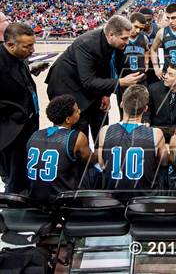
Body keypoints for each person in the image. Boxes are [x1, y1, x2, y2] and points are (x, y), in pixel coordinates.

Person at [46, 15, 142, 144]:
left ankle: (101, 157)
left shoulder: (118, 44)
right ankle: (81, 161)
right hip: (68, 86)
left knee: (102, 125)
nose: (127, 42)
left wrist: (106, 94)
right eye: (124, 38)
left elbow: (106, 68)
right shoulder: (86, 43)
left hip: (92, 84)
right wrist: (120, 82)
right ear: (111, 34)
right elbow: (88, 81)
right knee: (79, 131)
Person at [98, 85, 167, 200]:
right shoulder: (156, 133)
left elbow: (102, 164)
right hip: (144, 200)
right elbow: (164, 164)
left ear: (121, 104)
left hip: (114, 199)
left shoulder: (105, 131)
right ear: (145, 109)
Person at [26, 95, 97, 203]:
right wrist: (101, 153)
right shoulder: (77, 137)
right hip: (62, 198)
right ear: (68, 119)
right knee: (95, 170)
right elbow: (90, 160)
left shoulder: (35, 135)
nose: (80, 111)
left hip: (35, 196)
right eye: (77, 111)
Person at [0, 23, 40, 193]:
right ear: (10, 45)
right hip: (10, 128)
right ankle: (12, 208)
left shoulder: (18, 56)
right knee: (14, 174)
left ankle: (23, 195)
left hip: (27, 124)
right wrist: (12, 113)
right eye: (27, 46)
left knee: (25, 169)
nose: (32, 50)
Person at [116, 12, 149, 119]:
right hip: (125, 80)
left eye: (141, 29)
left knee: (141, 111)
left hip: (140, 80)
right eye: (136, 27)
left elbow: (147, 51)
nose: (138, 30)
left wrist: (146, 62)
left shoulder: (143, 39)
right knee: (124, 111)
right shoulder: (120, 38)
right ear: (129, 23)